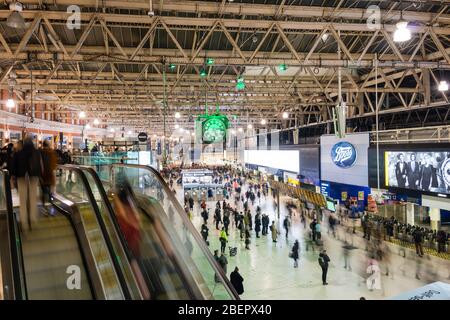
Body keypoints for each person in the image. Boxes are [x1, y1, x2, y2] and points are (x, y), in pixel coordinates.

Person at [11, 137, 43, 232]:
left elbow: (13, 167)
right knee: (33, 199)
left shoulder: (19, 153)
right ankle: (33, 220)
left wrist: (14, 178)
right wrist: (39, 176)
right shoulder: (37, 153)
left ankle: (24, 222)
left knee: (23, 200)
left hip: (22, 178)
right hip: (34, 178)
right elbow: (40, 166)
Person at [40, 140, 57, 213]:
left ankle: (44, 206)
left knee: (44, 192)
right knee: (50, 191)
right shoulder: (51, 153)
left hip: (43, 175)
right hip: (50, 175)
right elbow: (54, 164)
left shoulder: (40, 152)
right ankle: (51, 205)